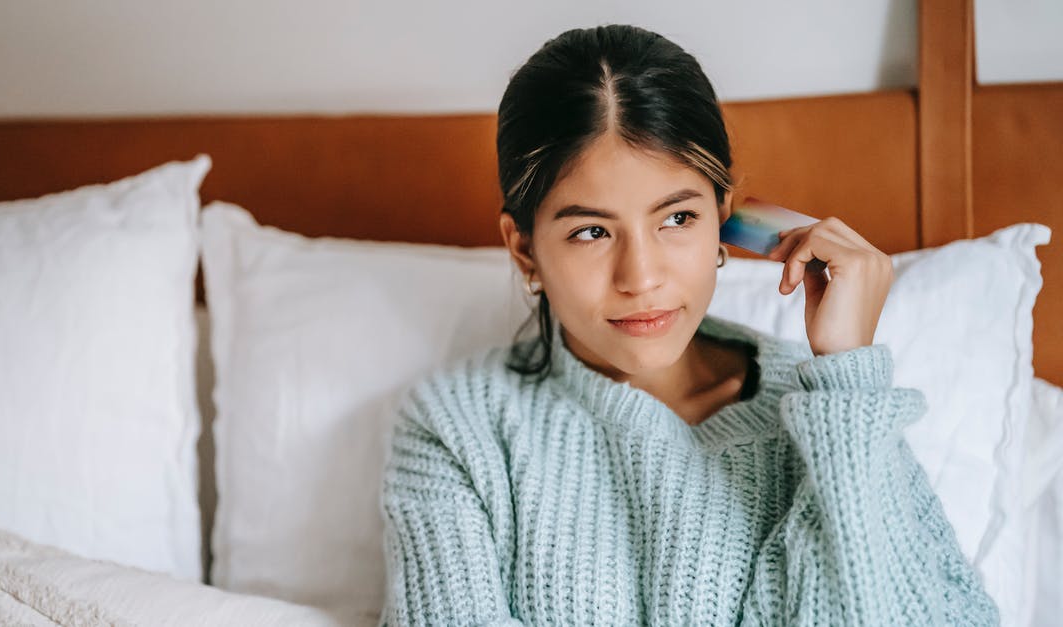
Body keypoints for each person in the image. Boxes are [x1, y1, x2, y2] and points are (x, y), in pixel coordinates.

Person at [378, 24, 999, 626]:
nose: (641, 276)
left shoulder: (829, 418)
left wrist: (847, 375)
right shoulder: (455, 428)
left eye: (677, 219)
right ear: (524, 250)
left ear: (724, 219)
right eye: (591, 231)